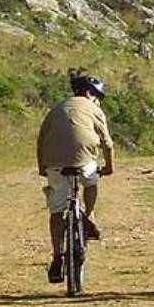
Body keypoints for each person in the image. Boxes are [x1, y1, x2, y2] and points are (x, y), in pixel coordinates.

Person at [37, 70, 114, 284]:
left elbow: (41, 139)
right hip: (84, 162)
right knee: (91, 182)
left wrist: (42, 167)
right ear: (91, 95)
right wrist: (109, 167)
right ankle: (88, 215)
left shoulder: (57, 108)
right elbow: (107, 143)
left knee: (56, 211)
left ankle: (56, 257)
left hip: (53, 162)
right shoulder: (93, 109)